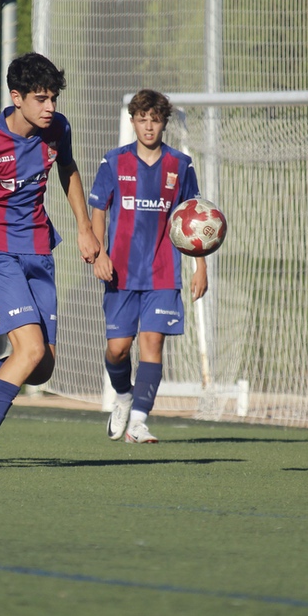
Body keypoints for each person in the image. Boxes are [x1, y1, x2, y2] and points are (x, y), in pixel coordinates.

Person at [0, 52, 100, 468]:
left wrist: (84, 227)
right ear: (17, 97)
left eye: (54, 99)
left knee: (41, 366)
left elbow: (69, 170)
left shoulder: (57, 128)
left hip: (39, 247)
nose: (50, 108)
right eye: (41, 99)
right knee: (27, 352)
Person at [88, 89, 207, 443]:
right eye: (142, 120)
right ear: (133, 122)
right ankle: (123, 397)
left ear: (164, 123)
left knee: (152, 344)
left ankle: (139, 422)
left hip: (162, 271)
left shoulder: (180, 165)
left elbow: (195, 220)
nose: (149, 127)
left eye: (155, 120)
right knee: (118, 349)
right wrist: (99, 254)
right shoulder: (113, 162)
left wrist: (200, 268)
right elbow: (98, 210)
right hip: (120, 272)